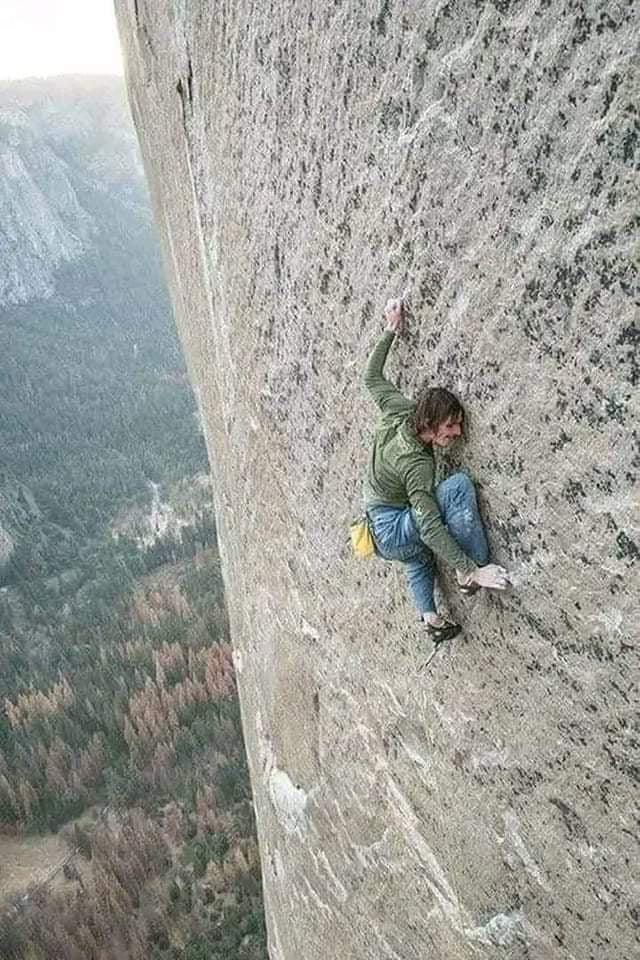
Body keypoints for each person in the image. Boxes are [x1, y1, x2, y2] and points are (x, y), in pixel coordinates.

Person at [364, 298, 509, 644]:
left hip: (377, 529)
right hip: (391, 528)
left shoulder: (400, 410)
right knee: (456, 486)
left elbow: (371, 378)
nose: (456, 433)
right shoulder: (416, 464)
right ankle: (471, 574)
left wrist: (390, 329)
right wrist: (472, 568)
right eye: (450, 426)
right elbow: (428, 526)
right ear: (429, 423)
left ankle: (431, 619)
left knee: (417, 558)